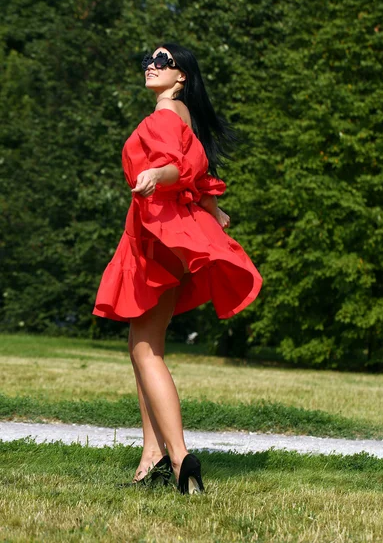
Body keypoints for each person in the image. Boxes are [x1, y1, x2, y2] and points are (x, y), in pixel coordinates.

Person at [92, 43, 263, 494]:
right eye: (148, 59)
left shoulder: (166, 114)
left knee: (147, 351)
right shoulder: (181, 114)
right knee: (142, 348)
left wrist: (154, 177)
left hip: (156, 231)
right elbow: (195, 167)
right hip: (165, 233)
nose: (152, 64)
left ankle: (180, 456)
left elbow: (173, 166)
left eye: (163, 61)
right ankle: (152, 458)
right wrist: (211, 207)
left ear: (181, 75)